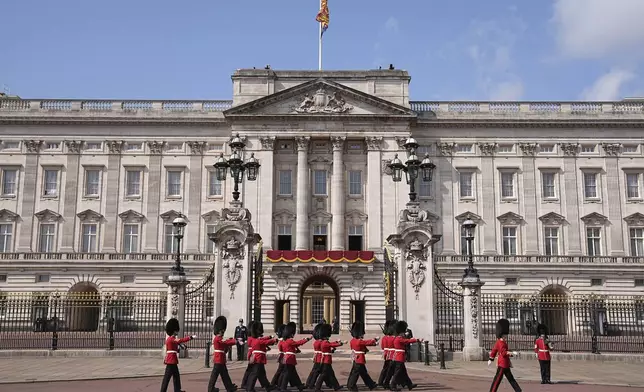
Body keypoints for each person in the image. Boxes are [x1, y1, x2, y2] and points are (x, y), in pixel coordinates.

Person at [160, 318, 196, 392]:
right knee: (167, 378)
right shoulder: (171, 339)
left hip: (172, 360)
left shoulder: (172, 339)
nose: (177, 332)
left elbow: (176, 348)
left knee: (176, 376)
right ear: (174, 331)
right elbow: (180, 340)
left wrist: (182, 347)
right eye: (176, 330)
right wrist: (190, 337)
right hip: (171, 360)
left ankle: (177, 390)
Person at [488, 318, 522, 392]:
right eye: (504, 335)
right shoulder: (500, 343)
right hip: (502, 364)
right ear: (502, 334)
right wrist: (512, 353)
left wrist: (491, 359)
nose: (505, 336)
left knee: (510, 379)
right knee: (498, 380)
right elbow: (503, 353)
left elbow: (494, 350)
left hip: (505, 364)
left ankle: (518, 390)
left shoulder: (501, 342)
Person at [208, 316, 237, 392]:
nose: (223, 332)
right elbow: (225, 342)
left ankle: (229, 387)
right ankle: (210, 389)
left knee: (225, 375)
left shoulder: (219, 338)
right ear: (219, 330)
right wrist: (234, 341)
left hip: (221, 359)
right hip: (218, 359)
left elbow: (225, 344)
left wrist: (230, 341)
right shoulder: (217, 338)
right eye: (222, 331)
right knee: (214, 376)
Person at [279, 321, 311, 392]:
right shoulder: (290, 341)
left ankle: (299, 386)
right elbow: (298, 343)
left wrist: (295, 351)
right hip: (290, 359)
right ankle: (283, 387)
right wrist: (306, 339)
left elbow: (286, 349)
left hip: (287, 358)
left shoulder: (285, 341)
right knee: (287, 374)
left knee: (293, 373)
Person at [346, 321, 378, 391]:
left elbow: (363, 345)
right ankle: (351, 385)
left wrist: (373, 344)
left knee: (363, 373)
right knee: (355, 374)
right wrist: (374, 340)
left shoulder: (353, 340)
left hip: (355, 358)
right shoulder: (359, 341)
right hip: (359, 359)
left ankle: (371, 384)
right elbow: (366, 342)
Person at [390, 320, 421, 392]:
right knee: (397, 372)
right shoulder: (399, 338)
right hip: (399, 357)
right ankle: (392, 385)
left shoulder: (398, 338)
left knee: (404, 372)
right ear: (401, 332)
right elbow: (406, 341)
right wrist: (416, 340)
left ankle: (409, 384)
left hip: (399, 356)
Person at [245, 321, 276, 392]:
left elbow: (263, 340)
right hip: (258, 359)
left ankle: (267, 386)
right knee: (254, 374)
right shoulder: (257, 340)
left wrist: (269, 337)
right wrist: (274, 340)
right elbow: (266, 342)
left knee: (262, 374)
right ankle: (249, 388)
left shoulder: (256, 339)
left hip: (258, 358)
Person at [314, 323, 344, 392]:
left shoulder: (324, 342)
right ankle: (317, 388)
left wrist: (335, 344)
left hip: (326, 360)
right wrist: (340, 343)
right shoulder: (325, 342)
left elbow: (330, 346)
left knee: (331, 374)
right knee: (323, 375)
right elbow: (331, 344)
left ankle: (336, 386)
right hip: (325, 361)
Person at [306, 323, 332, 389]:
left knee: (320, 372)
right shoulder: (322, 342)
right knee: (320, 372)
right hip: (321, 358)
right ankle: (311, 385)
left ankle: (310, 383)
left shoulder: (317, 341)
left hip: (319, 357)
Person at [377, 319, 397, 389]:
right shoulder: (394, 338)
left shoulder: (384, 338)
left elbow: (383, 347)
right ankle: (388, 383)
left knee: (385, 368)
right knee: (392, 370)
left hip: (386, 354)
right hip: (393, 354)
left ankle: (381, 381)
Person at [240, 320, 256, 391]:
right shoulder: (251, 338)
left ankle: (245, 383)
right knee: (251, 370)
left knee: (250, 369)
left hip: (251, 353)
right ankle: (246, 384)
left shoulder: (250, 337)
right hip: (252, 354)